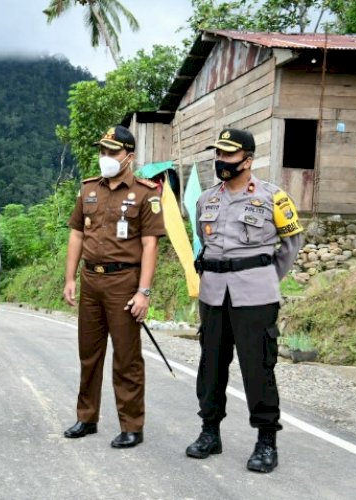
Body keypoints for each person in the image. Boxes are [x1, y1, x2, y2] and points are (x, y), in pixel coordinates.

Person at [185, 128, 304, 473]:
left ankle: (266, 441)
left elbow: (291, 244)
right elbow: (203, 241)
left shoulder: (273, 197)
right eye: (218, 154)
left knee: (258, 367)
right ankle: (210, 432)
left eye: (228, 154)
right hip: (213, 294)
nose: (221, 160)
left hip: (256, 296)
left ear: (247, 160)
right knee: (211, 366)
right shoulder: (206, 199)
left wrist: (264, 277)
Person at [62, 125, 166, 449]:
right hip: (91, 280)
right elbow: (77, 234)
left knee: (127, 358)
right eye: (102, 150)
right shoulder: (88, 189)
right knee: (89, 355)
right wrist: (70, 278)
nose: (105, 156)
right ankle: (86, 417)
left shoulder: (146, 193)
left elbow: (150, 245)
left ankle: (132, 425)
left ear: (129, 156)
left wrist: (143, 292)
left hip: (124, 282)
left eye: (112, 151)